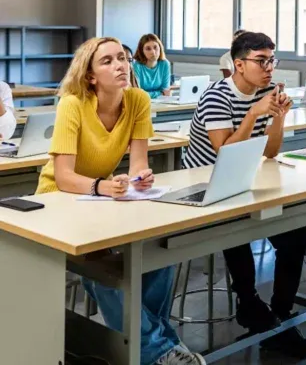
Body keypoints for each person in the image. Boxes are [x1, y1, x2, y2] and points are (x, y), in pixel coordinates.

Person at [36, 37, 203, 365]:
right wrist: (102, 187)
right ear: (91, 76)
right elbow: (65, 176)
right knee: (101, 264)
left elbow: (139, 161)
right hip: (58, 201)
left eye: (123, 58)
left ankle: (157, 348)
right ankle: (159, 351)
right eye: (108, 61)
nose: (121, 65)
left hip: (100, 200)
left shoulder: (138, 100)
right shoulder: (73, 103)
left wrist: (140, 177)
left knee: (161, 252)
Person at [183, 32, 306, 359]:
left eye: (272, 60)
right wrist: (255, 113)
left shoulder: (269, 92)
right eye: (261, 60)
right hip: (206, 184)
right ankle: (249, 301)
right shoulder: (217, 96)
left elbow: (270, 152)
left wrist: (277, 118)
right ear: (238, 65)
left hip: (244, 178)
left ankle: (280, 316)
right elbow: (224, 153)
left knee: (295, 231)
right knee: (237, 226)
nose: (269, 67)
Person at [133, 34, 171, 99]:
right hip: (141, 103)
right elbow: (137, 94)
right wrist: (160, 93)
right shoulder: (136, 66)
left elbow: (166, 90)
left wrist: (163, 93)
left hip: (161, 103)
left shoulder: (165, 64)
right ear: (142, 51)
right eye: (148, 49)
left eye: (155, 47)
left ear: (160, 48)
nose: (153, 52)